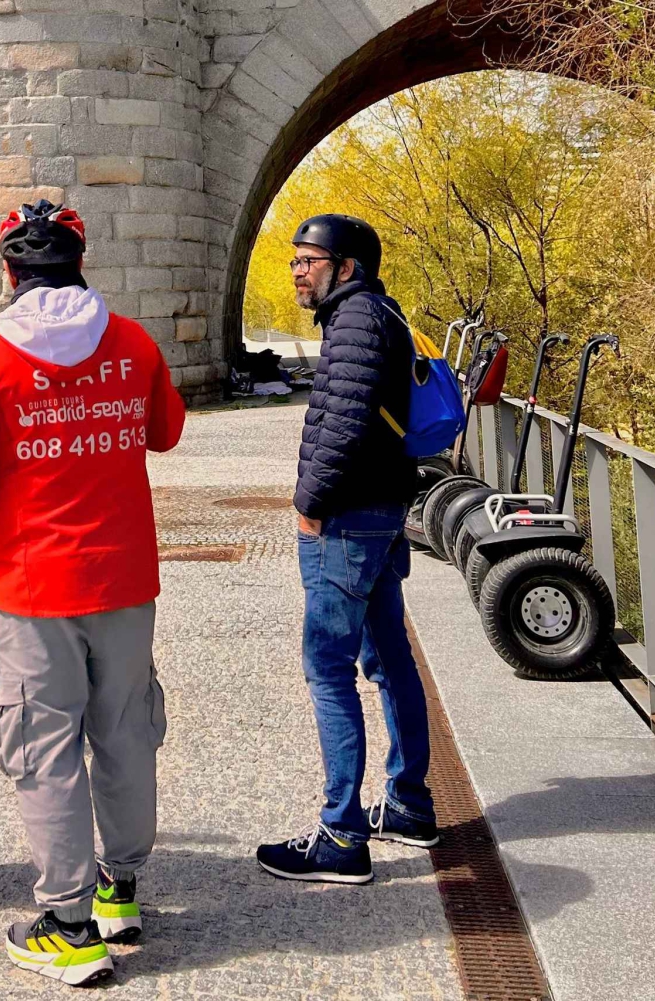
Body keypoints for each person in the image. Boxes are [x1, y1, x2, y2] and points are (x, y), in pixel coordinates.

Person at [0, 200, 186, 986]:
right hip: (124, 576)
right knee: (125, 729)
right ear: (81, 261)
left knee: (45, 746)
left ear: (9, 270)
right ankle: (120, 887)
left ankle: (68, 923)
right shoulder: (132, 341)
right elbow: (165, 430)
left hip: (34, 581)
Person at [255, 215, 439, 888]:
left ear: (348, 266)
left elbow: (347, 422)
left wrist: (309, 501)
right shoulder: (370, 314)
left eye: (310, 260)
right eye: (296, 260)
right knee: (388, 655)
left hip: (349, 517)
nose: (299, 270)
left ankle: (340, 835)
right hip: (378, 511)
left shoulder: (358, 320)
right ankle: (410, 806)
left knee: (328, 666)